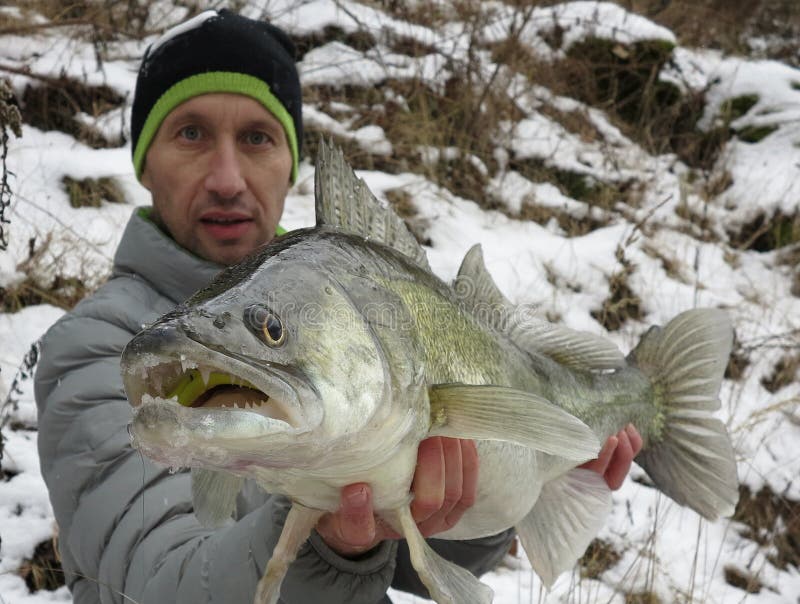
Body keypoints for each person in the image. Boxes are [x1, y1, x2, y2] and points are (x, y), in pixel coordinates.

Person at [34, 9, 643, 603]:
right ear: (143, 160)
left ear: (289, 163)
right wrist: (329, 544)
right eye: (190, 133)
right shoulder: (95, 346)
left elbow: (407, 564)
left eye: (257, 138)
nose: (226, 177)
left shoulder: (342, 316)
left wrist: (508, 498)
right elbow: (157, 584)